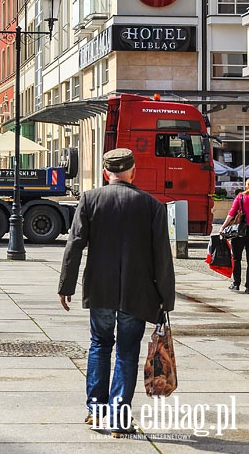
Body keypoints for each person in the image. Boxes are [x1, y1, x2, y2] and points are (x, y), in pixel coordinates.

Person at [57, 148, 175, 438]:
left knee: (100, 344)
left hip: (101, 289)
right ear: (133, 172)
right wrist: (166, 298)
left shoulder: (90, 199)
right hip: (138, 293)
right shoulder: (152, 205)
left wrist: (66, 285)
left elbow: (75, 244)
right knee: (126, 351)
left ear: (105, 173)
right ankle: (120, 420)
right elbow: (162, 256)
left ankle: (96, 413)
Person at [219, 178, 249, 293]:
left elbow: (231, 214)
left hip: (239, 231)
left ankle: (236, 284)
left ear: (246, 186)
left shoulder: (241, 197)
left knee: (237, 258)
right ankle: (248, 286)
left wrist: (223, 227)